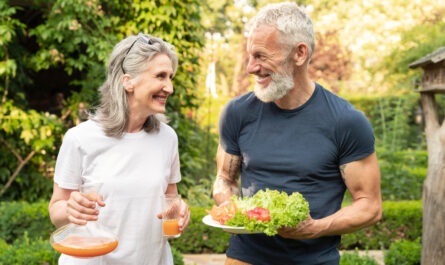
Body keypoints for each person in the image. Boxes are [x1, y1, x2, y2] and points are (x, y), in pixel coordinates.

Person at [212, 2, 382, 265]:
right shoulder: (236, 112)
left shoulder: (346, 121)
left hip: (314, 259)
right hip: (245, 257)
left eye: (261, 56)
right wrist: (230, 206)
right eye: (250, 56)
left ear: (300, 53)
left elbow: (369, 206)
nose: (250, 67)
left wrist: (315, 228)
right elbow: (224, 178)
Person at [49, 33, 190, 265]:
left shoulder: (167, 138)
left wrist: (181, 213)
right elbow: (57, 210)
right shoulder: (80, 138)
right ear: (128, 81)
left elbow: (170, 199)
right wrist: (71, 210)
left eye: (170, 77)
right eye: (160, 76)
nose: (170, 87)